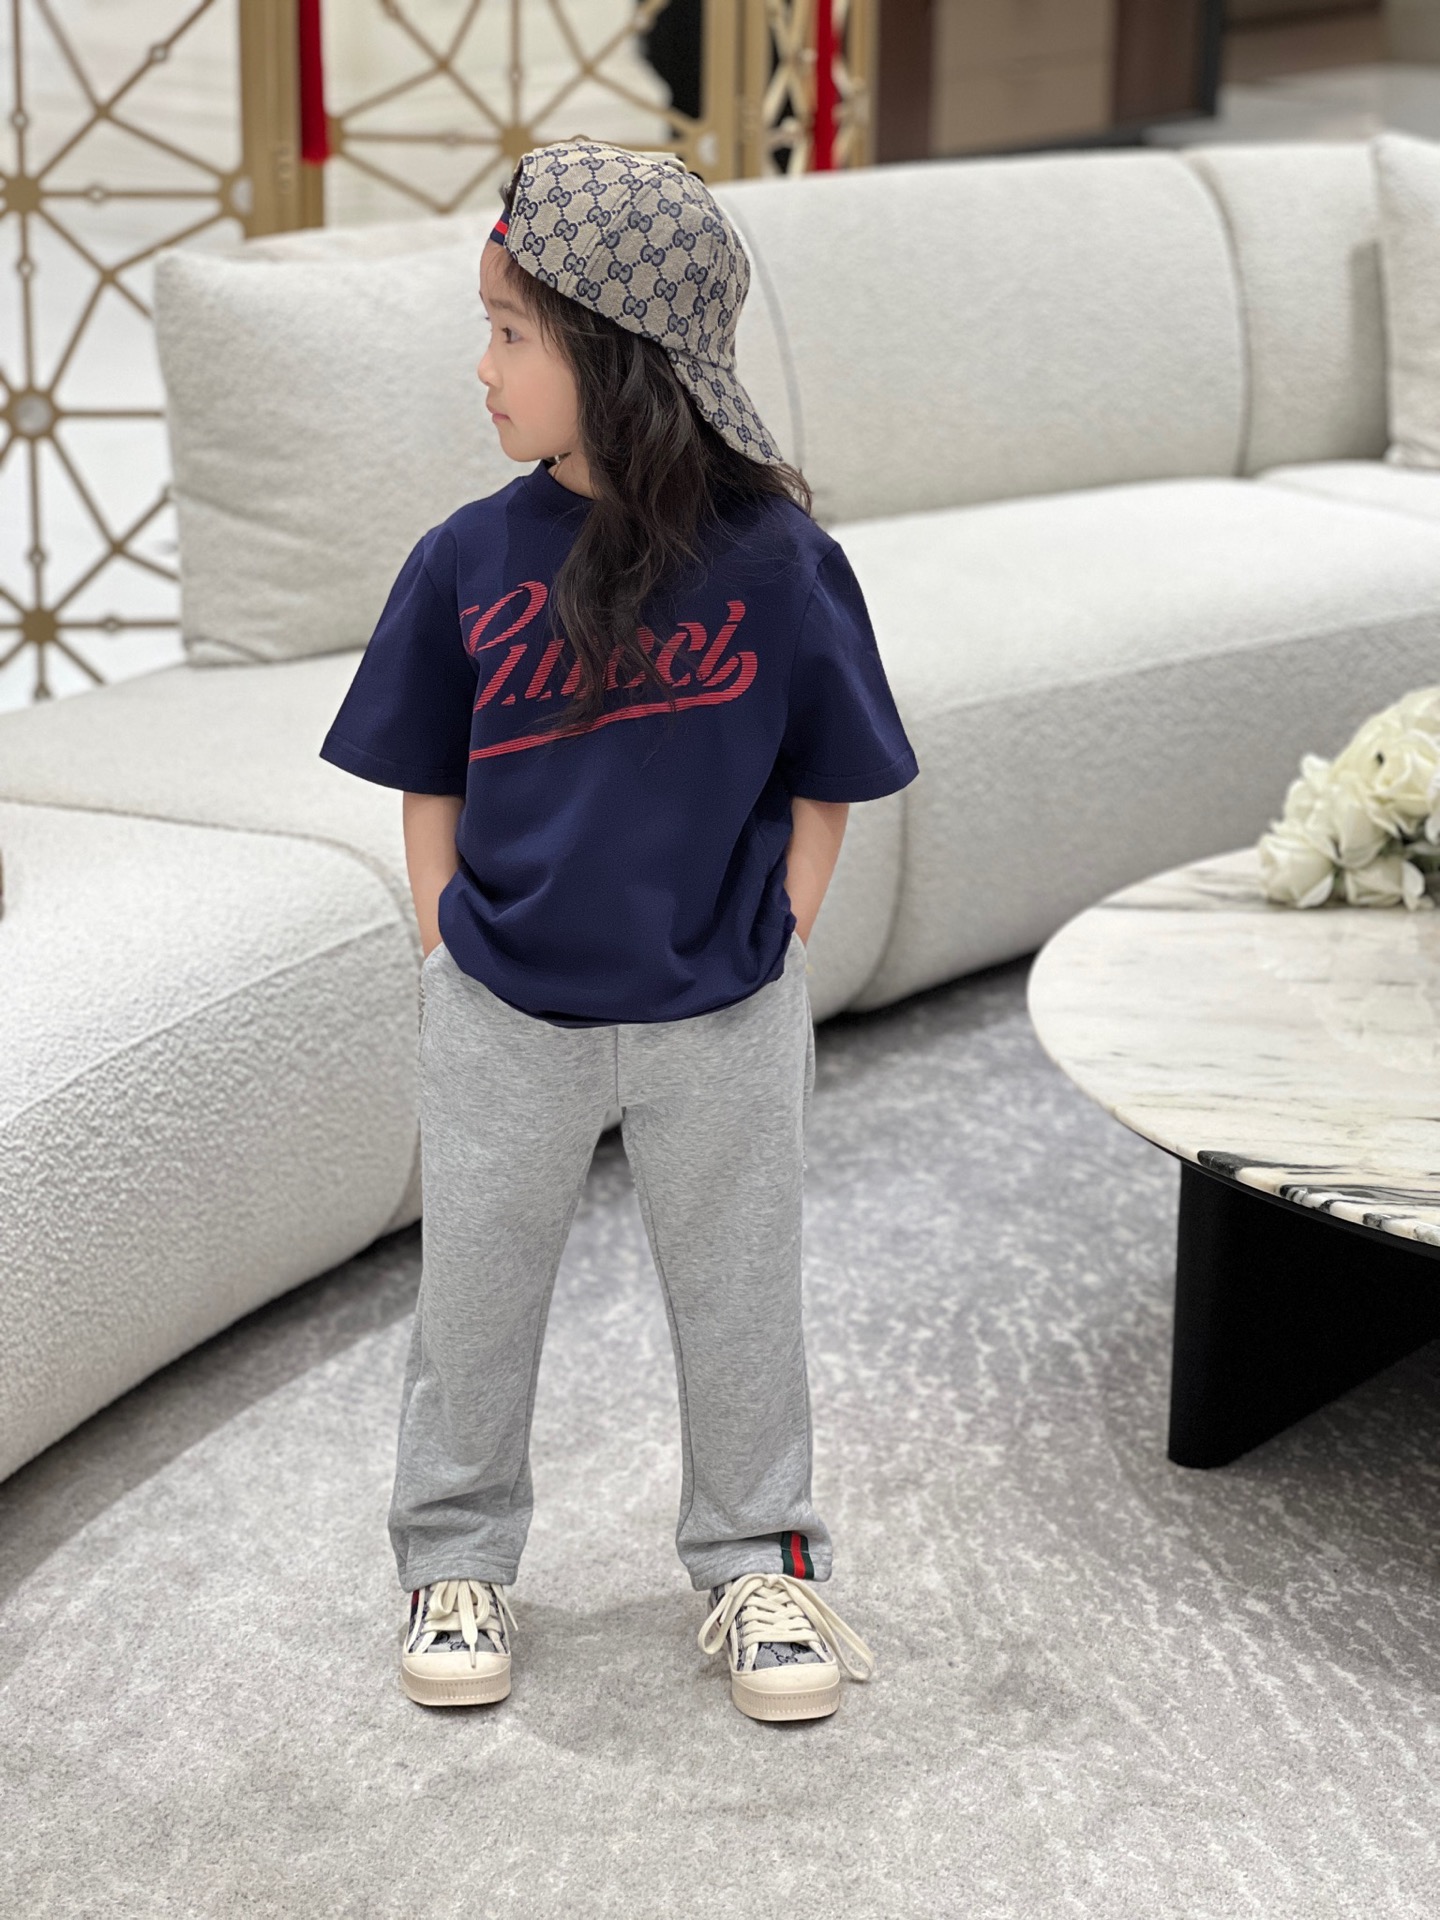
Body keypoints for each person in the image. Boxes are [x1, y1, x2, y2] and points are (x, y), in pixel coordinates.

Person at [318, 138, 920, 1724]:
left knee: (741, 1303)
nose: (484, 367)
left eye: (512, 333)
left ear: (619, 355)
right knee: (474, 1306)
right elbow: (430, 774)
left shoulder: (779, 563)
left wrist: (776, 937)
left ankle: (760, 1564)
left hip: (720, 1012)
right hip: (503, 1009)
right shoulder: (463, 559)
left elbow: (829, 777)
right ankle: (456, 1560)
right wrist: (445, 939)